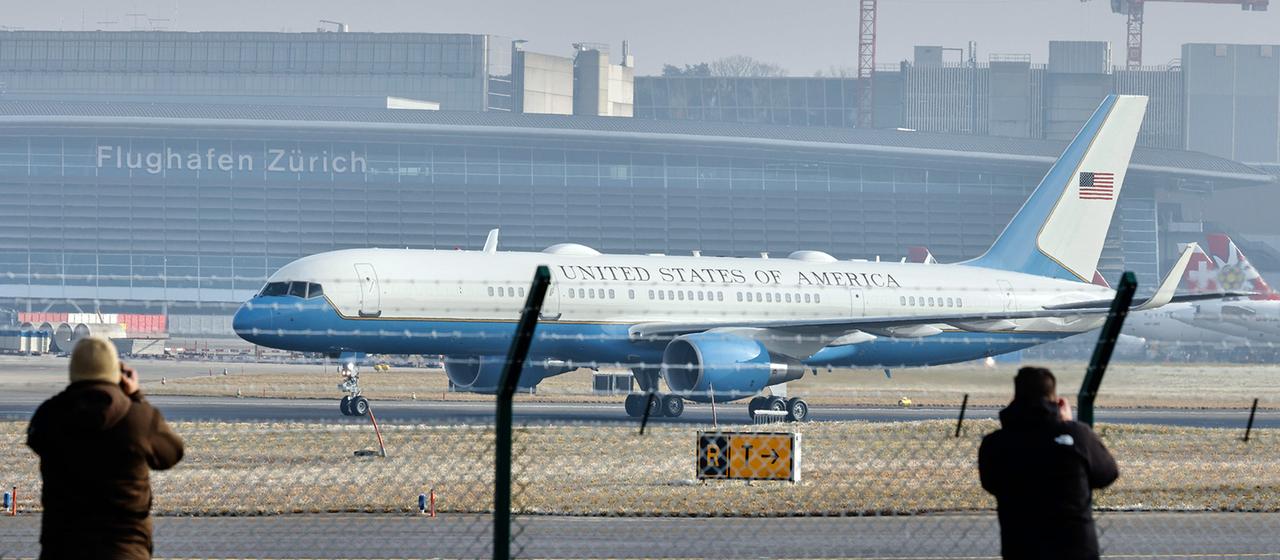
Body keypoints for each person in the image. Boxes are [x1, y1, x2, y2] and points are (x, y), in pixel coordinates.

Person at [26, 335, 184, 559]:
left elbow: (35, 439)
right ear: (115, 372)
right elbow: (172, 453)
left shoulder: (50, 414)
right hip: (124, 549)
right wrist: (136, 397)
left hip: (63, 549)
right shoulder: (138, 417)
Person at [978, 366, 1119, 560]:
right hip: (1075, 549)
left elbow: (991, 483)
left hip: (1022, 548)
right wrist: (1068, 425)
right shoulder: (1076, 436)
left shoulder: (996, 443)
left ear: (1015, 399)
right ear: (1055, 399)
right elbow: (1107, 474)